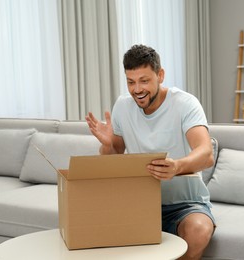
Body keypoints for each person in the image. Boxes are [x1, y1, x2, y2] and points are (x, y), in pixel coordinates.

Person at [85, 44, 215, 260]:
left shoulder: (185, 104)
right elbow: (114, 156)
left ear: (160, 75)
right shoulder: (123, 106)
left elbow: (206, 153)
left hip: (186, 204)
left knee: (198, 231)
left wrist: (176, 167)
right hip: (140, 201)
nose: (137, 89)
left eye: (144, 81)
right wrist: (108, 145)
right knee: (94, 223)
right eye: (131, 82)